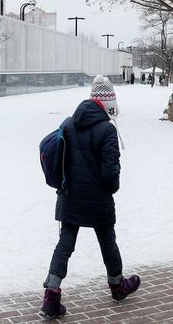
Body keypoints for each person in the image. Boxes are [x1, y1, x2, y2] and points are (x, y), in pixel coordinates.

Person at [40, 75, 140, 318]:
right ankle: (117, 286)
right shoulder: (107, 130)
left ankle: (51, 296)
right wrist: (112, 187)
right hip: (97, 199)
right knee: (107, 241)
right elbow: (110, 173)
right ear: (108, 104)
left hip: (69, 197)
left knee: (65, 244)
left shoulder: (67, 123)